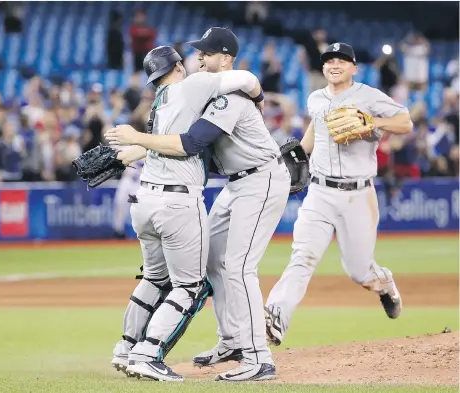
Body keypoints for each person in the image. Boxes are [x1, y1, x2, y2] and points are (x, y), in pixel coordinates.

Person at [106, 27, 291, 382]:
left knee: (237, 266)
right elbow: (179, 134)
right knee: (210, 264)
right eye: (198, 52)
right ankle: (233, 340)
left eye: (207, 52)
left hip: (261, 178)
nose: (200, 57)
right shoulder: (200, 92)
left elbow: (192, 142)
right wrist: (138, 149)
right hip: (236, 183)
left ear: (226, 58)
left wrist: (139, 139)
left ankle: (258, 358)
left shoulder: (230, 94)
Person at [264, 43, 413, 347]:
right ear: (323, 68)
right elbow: (315, 134)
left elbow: (405, 122)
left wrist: (374, 122)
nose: (335, 64)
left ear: (354, 67)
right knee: (302, 256)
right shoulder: (316, 98)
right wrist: (289, 157)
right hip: (319, 191)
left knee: (359, 271)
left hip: (357, 194)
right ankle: (276, 316)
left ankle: (385, 284)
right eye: (329, 60)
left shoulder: (368, 95)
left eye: (342, 60)